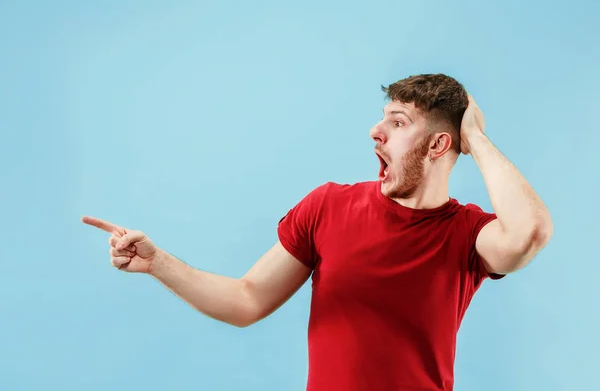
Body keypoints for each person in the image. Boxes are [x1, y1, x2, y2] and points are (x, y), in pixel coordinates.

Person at [82, 74, 553, 391]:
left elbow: (529, 232)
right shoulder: (328, 206)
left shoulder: (468, 233)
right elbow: (247, 300)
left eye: (398, 122)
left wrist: (477, 136)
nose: (376, 131)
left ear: (439, 144)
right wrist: (157, 263)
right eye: (382, 116)